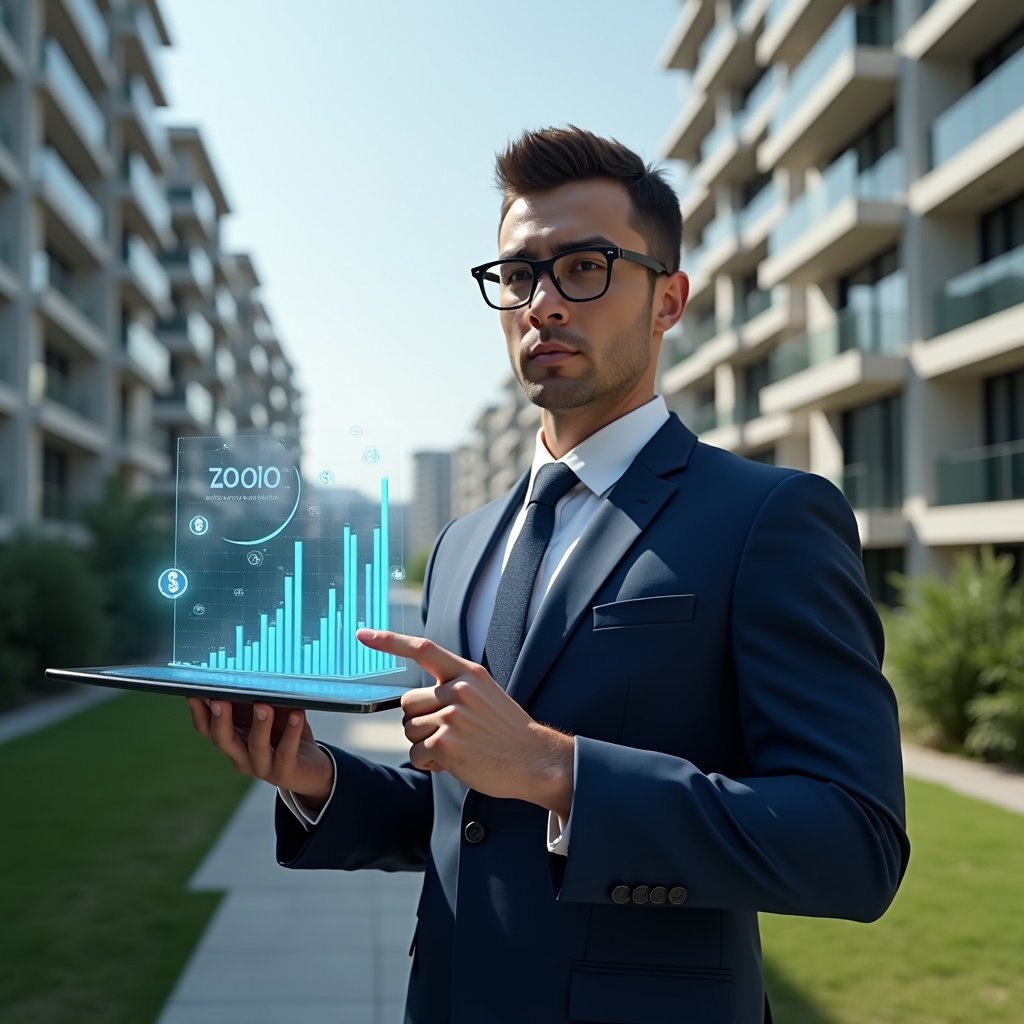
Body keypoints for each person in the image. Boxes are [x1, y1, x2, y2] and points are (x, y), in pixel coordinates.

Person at [189, 126, 909, 1024]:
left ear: (669, 299)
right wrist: (313, 777)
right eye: (519, 274)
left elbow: (854, 843)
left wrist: (556, 768)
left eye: (586, 267)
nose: (543, 303)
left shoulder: (768, 517)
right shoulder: (464, 543)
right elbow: (475, 817)